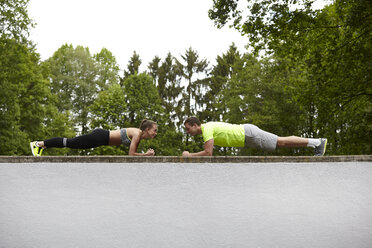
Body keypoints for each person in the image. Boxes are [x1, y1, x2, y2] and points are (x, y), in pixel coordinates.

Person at [182, 117, 327, 157]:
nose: (188, 132)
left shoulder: (207, 128)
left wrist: (189, 155)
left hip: (248, 134)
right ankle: (315, 143)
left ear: (195, 125)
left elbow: (208, 153)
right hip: (248, 135)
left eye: (188, 129)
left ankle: (317, 142)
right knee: (280, 142)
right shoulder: (208, 128)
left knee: (281, 142)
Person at [30, 119, 157, 156]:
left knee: (71, 143)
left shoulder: (138, 136)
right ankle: (38, 144)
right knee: (71, 142)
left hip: (101, 139)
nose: (155, 133)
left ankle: (43, 145)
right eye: (154, 130)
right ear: (147, 129)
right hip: (100, 136)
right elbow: (131, 154)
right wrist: (146, 155)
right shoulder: (137, 134)